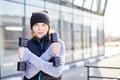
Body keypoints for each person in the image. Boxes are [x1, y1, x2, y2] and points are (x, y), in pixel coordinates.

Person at [18, 10, 65, 80]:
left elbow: (56, 72)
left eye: (44, 25)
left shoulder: (57, 44)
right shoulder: (27, 45)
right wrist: (49, 53)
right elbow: (28, 74)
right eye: (36, 25)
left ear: (48, 27)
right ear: (32, 27)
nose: (40, 29)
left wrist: (29, 56)